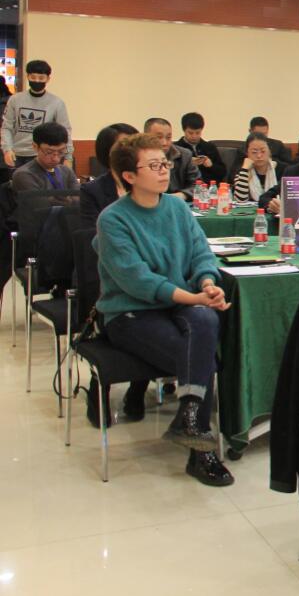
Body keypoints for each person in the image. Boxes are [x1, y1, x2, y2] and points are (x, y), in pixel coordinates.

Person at [95, 132, 233, 486]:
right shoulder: (113, 220)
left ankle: (190, 423)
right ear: (130, 175)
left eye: (165, 163)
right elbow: (138, 281)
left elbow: (201, 253)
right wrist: (195, 298)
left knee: (205, 321)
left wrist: (207, 283)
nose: (164, 170)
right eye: (154, 165)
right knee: (201, 356)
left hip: (178, 302)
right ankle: (201, 450)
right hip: (131, 312)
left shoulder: (177, 208)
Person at [80, 123, 145, 427]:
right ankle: (99, 390)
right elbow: (92, 239)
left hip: (143, 273)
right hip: (104, 273)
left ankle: (138, 388)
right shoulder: (94, 191)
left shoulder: (146, 188)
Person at [3, 59, 71, 168]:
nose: (37, 81)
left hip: (43, 156)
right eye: (33, 77)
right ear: (27, 77)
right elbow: (7, 127)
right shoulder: (15, 100)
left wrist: (68, 157)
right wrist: (7, 149)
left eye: (41, 78)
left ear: (48, 79)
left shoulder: (57, 103)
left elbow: (65, 131)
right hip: (17, 155)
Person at [81, 123, 138, 227]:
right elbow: (89, 231)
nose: (131, 152)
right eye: (123, 146)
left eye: (134, 146)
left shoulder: (149, 182)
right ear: (107, 152)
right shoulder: (92, 190)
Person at [11, 122, 79, 193]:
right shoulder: (24, 175)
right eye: (49, 152)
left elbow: (78, 197)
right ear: (35, 146)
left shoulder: (67, 171)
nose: (55, 159)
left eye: (61, 152)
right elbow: (38, 200)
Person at [143, 117, 200, 199]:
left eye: (168, 137)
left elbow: (198, 185)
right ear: (145, 137)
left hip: (179, 201)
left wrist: (182, 195)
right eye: (159, 137)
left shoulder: (184, 155)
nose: (164, 143)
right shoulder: (138, 157)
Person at [174, 112, 227, 184]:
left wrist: (211, 166)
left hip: (208, 186)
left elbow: (223, 172)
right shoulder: (176, 148)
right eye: (190, 133)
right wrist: (187, 163)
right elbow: (172, 174)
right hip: (186, 186)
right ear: (184, 130)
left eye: (198, 132)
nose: (194, 136)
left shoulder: (209, 147)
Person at [232, 132, 279, 203]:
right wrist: (245, 169)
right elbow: (240, 199)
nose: (259, 156)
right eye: (254, 152)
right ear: (247, 153)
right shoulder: (242, 171)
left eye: (263, 151)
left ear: (269, 151)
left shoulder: (281, 169)